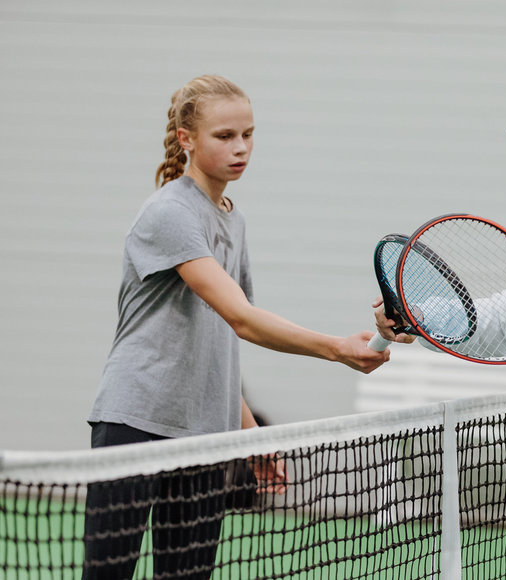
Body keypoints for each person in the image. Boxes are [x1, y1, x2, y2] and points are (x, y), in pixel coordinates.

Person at [84, 74, 389, 579]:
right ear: (186, 139)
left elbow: (220, 342)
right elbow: (243, 319)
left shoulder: (233, 219)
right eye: (225, 136)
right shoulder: (170, 212)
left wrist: (251, 437)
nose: (241, 148)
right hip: (135, 423)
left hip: (206, 437)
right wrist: (337, 348)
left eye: (248, 134)